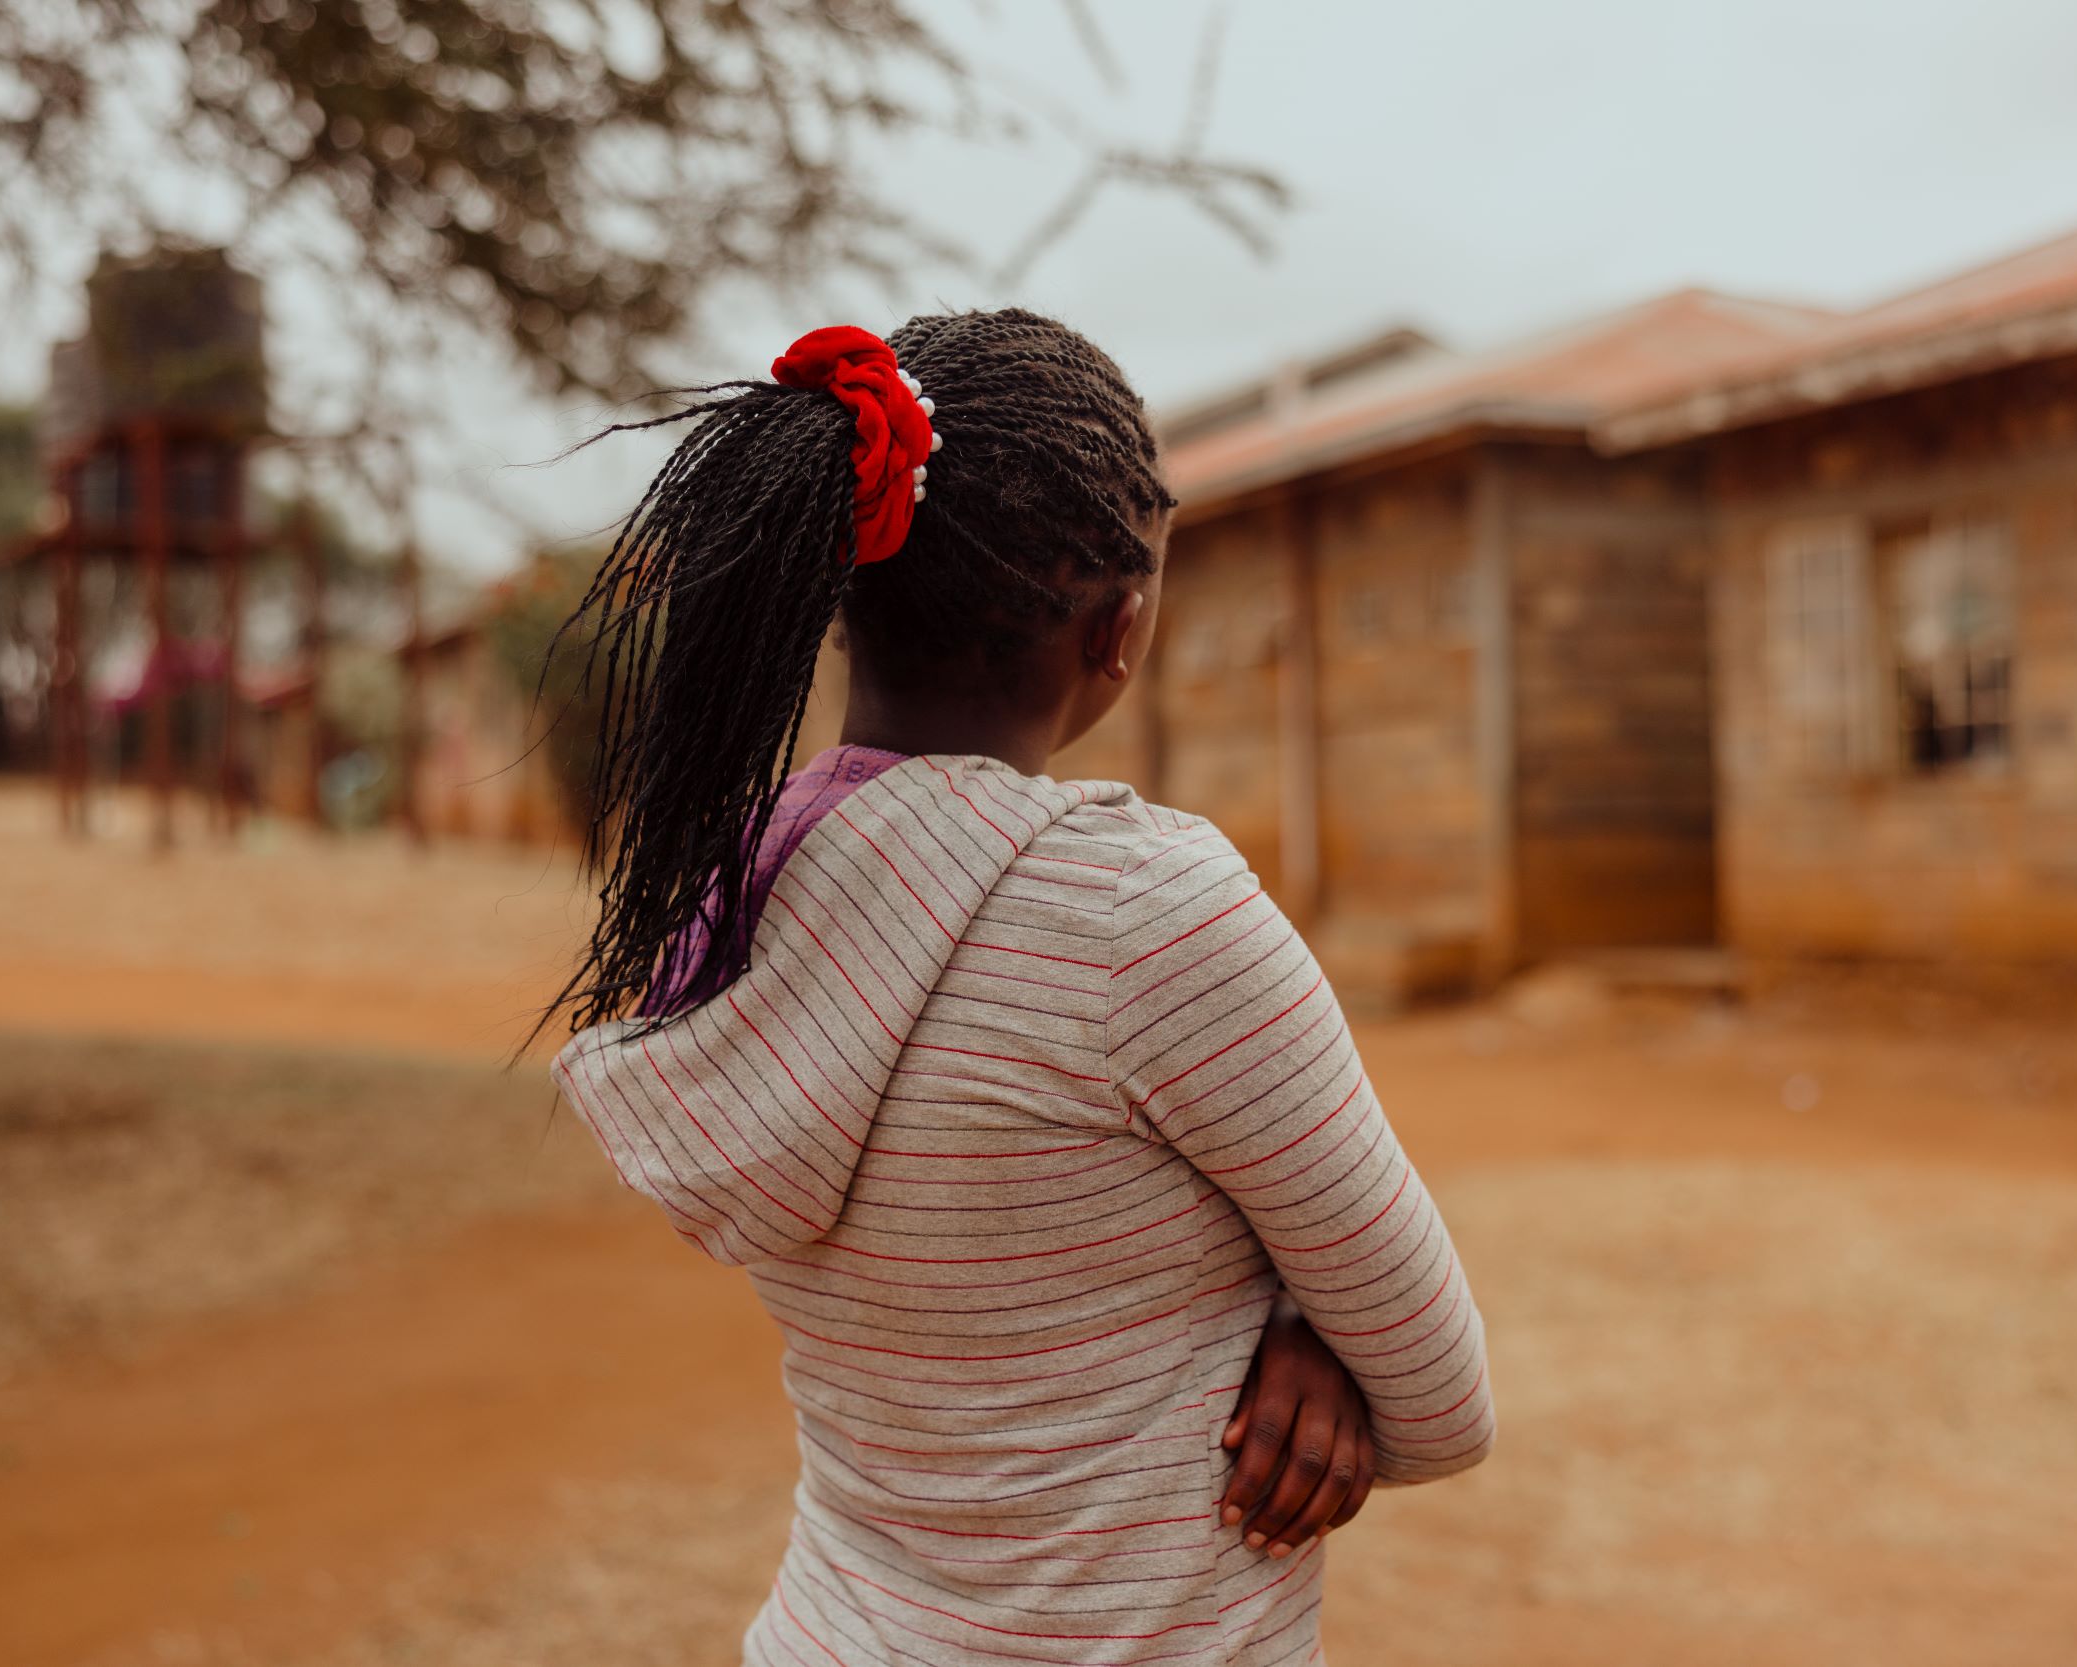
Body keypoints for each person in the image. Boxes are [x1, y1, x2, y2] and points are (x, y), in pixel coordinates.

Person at [547, 311, 1492, 1665]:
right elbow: (1444, 1396)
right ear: (1119, 628)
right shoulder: (1139, 914)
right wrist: (1313, 1332)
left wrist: (1303, 1323)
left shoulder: (730, 908)